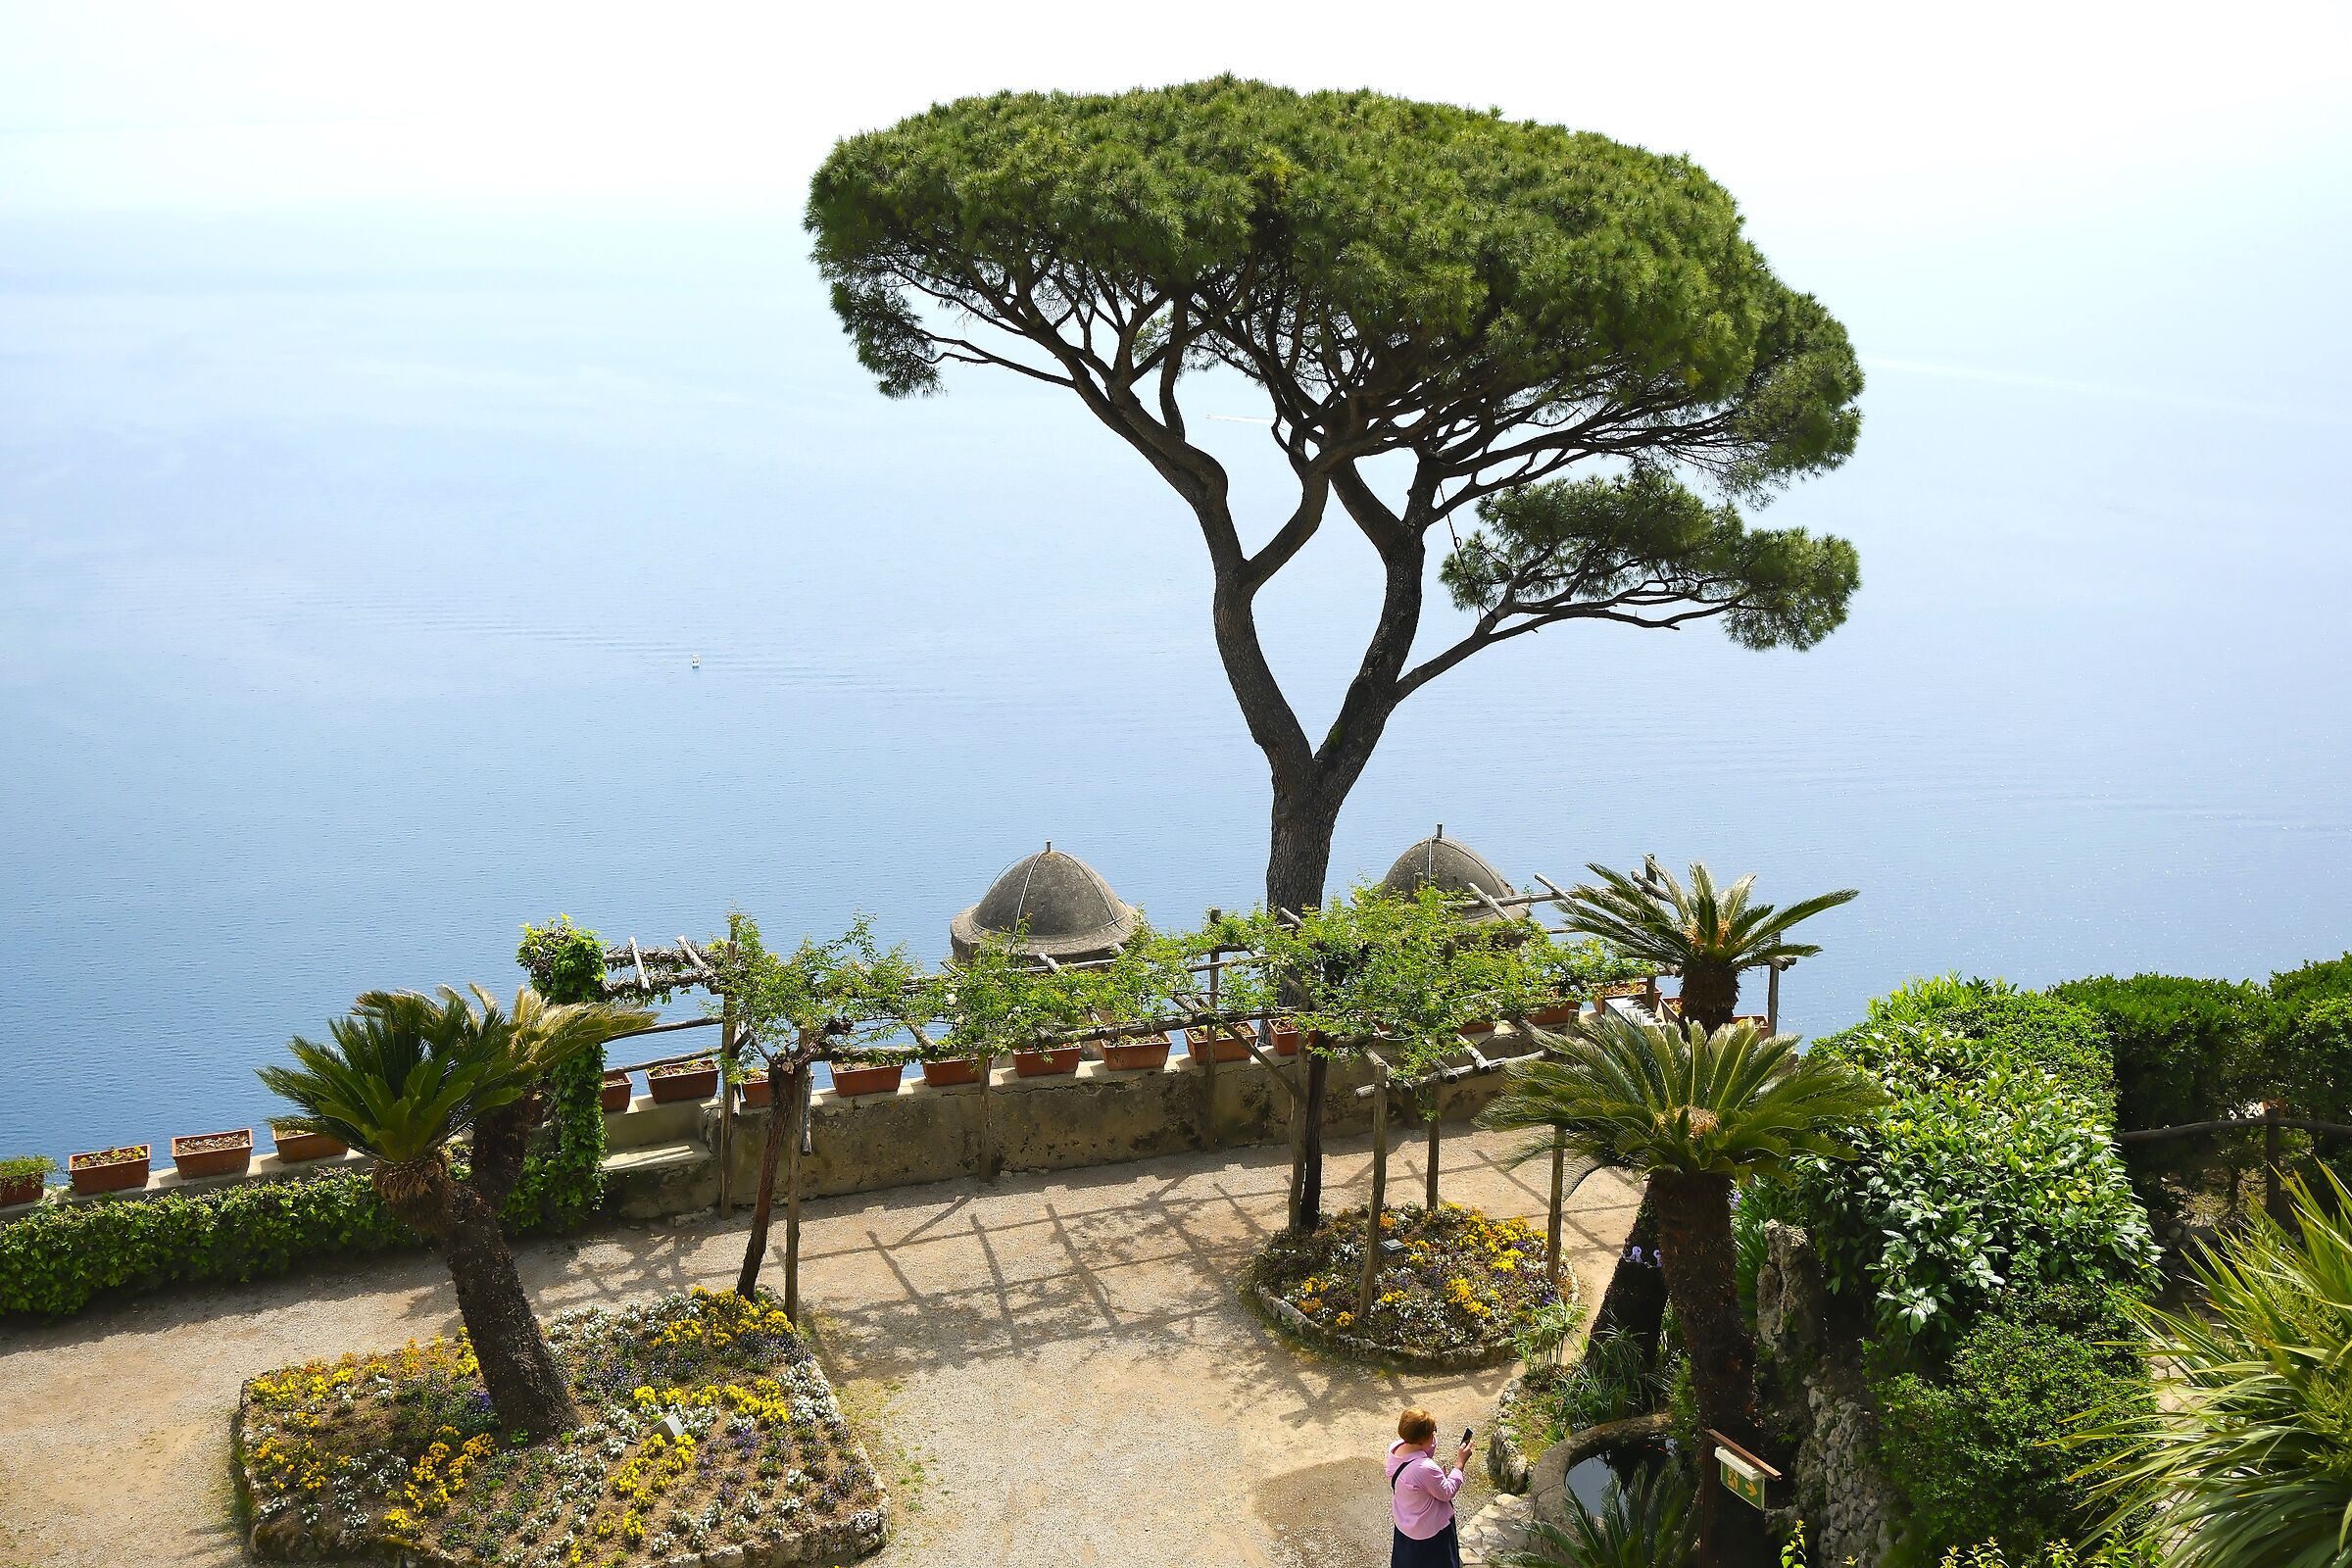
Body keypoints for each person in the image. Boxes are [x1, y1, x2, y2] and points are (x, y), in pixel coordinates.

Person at [1385, 1405, 1470, 1567]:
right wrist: (1460, 1464)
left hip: (1405, 1527)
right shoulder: (1424, 1468)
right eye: (1432, 1432)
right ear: (1422, 1439)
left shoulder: (1396, 1449)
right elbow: (1447, 1492)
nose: (1434, 1436)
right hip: (1429, 1535)